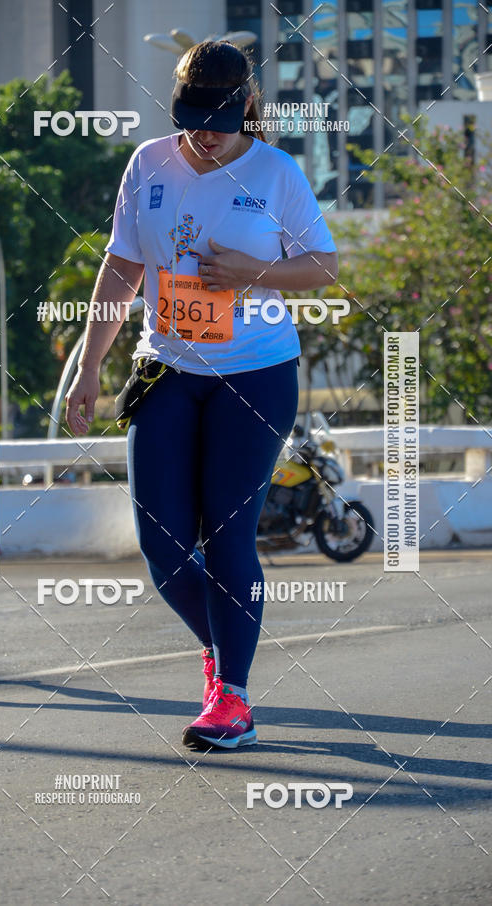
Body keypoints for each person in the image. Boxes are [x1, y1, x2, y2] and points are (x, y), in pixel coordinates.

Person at [66, 41, 338, 749]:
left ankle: (233, 699)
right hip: (166, 373)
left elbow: (324, 267)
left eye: (218, 118)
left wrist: (256, 271)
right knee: (161, 544)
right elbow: (122, 267)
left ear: (247, 106)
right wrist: (89, 363)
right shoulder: (148, 162)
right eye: (191, 115)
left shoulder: (276, 173)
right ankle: (220, 650)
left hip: (256, 375)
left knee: (226, 536)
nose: (204, 132)